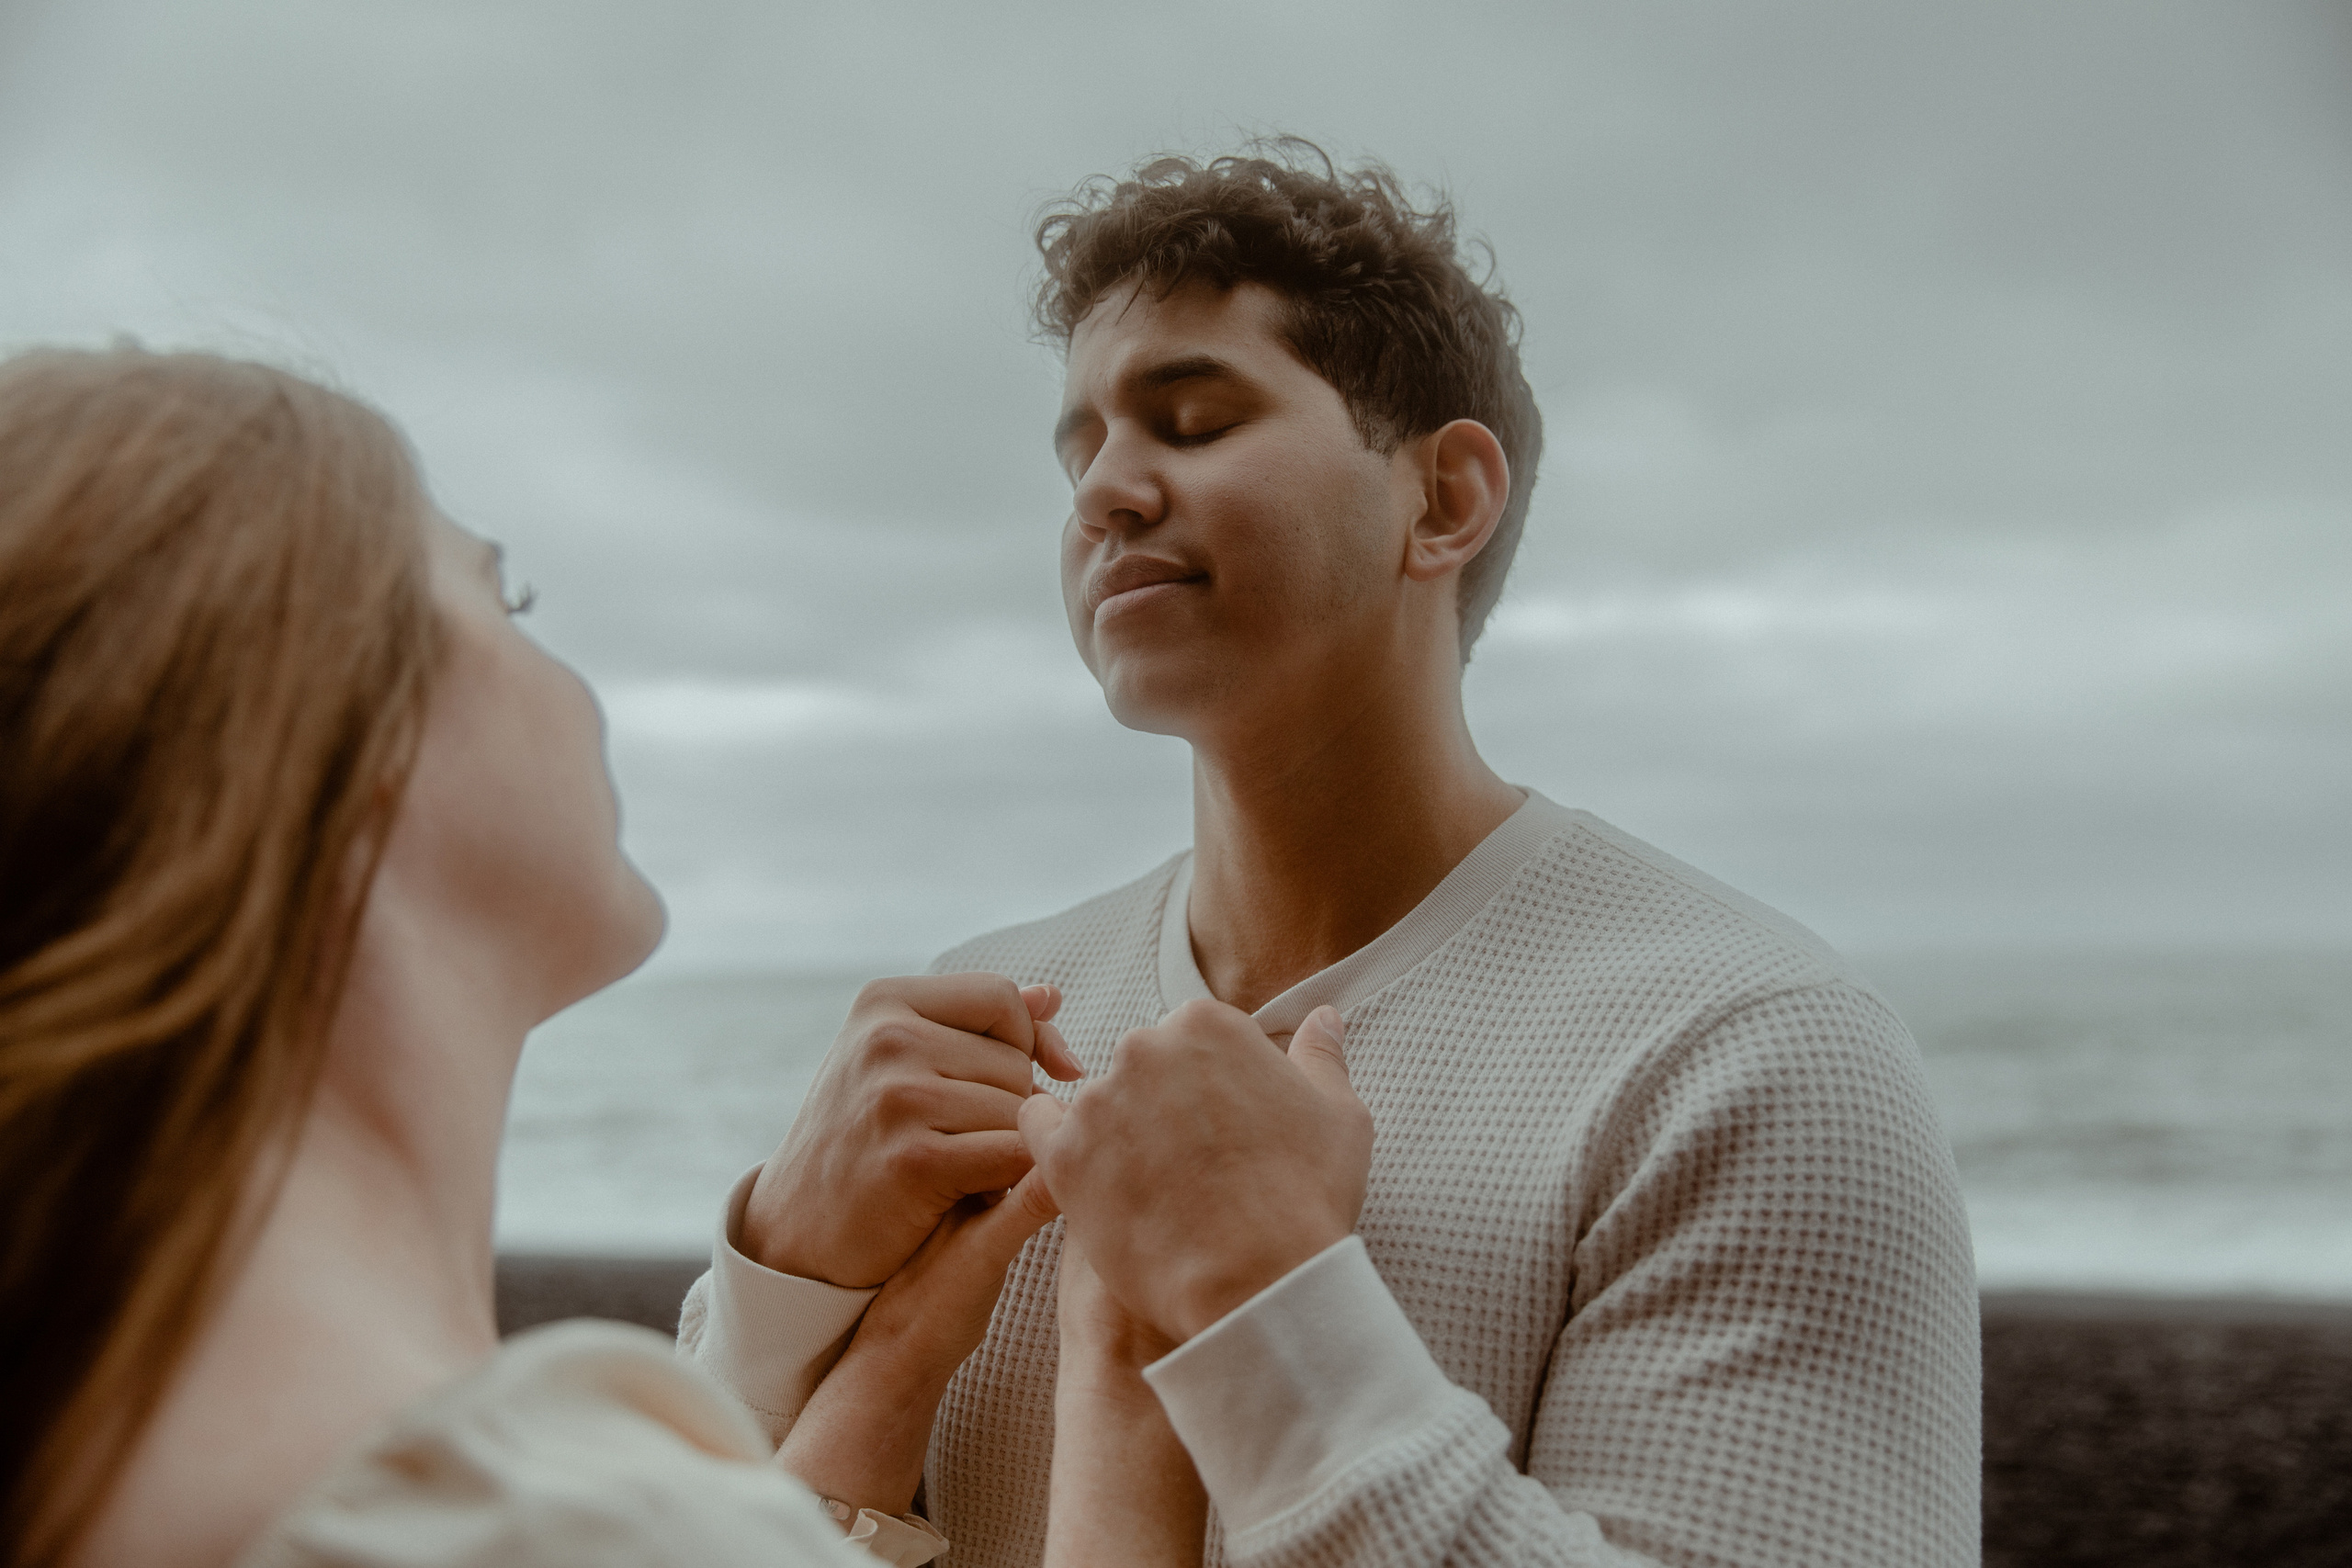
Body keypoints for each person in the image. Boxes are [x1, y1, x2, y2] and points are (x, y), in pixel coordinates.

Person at [686, 144, 1982, 1567]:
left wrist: (1267, 1307)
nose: (1104, 493)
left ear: (1445, 501)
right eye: (1082, 453)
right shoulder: (974, 1008)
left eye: (1186, 420)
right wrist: (777, 1279)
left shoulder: (1747, 1059)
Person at [0, 347, 1163, 1568]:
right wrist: (1145, 1344)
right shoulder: (526, 1525)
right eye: (511, 603)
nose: (576, 684)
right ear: (321, 726)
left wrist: (882, 1373)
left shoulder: (109, 1442)